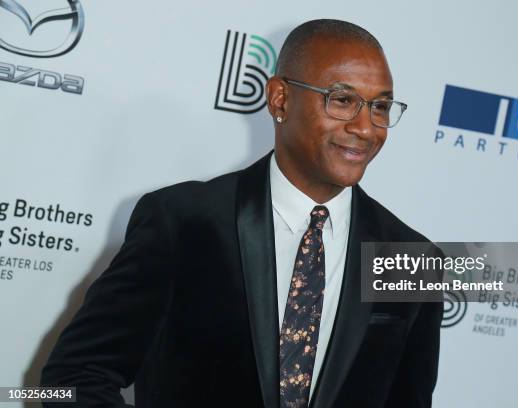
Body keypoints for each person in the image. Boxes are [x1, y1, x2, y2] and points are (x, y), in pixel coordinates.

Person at [41, 19, 442, 407]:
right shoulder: (182, 222)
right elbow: (71, 378)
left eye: (381, 107)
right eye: (342, 100)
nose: (366, 127)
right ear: (280, 98)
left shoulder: (412, 258)